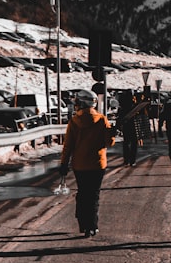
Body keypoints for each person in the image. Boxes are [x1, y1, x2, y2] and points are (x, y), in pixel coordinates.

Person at [59, 89, 117, 236]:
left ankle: (83, 224)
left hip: (79, 165)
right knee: (94, 195)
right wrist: (112, 133)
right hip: (97, 164)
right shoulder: (102, 119)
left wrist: (64, 163)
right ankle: (92, 225)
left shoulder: (74, 122)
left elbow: (68, 145)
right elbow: (108, 143)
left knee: (83, 193)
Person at [116, 91, 141, 166]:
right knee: (134, 143)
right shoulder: (134, 105)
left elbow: (119, 116)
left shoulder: (122, 105)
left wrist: (119, 126)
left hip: (126, 126)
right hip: (133, 126)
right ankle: (132, 160)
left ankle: (126, 160)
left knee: (126, 143)